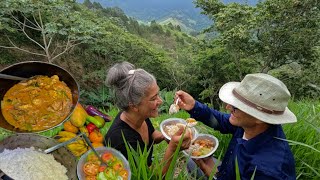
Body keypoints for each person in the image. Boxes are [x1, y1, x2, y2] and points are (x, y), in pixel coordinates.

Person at [176, 73, 297, 180]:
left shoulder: (266, 170)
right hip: (227, 172)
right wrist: (193, 106)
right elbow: (220, 121)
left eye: (236, 106)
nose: (228, 107)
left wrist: (210, 174)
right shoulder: (250, 125)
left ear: (259, 118)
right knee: (191, 162)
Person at [104, 61, 192, 175]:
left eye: (158, 95)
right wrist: (172, 149)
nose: (160, 101)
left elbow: (152, 135)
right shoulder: (122, 140)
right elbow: (153, 177)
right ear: (134, 105)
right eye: (153, 98)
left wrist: (168, 136)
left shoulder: (140, 115)